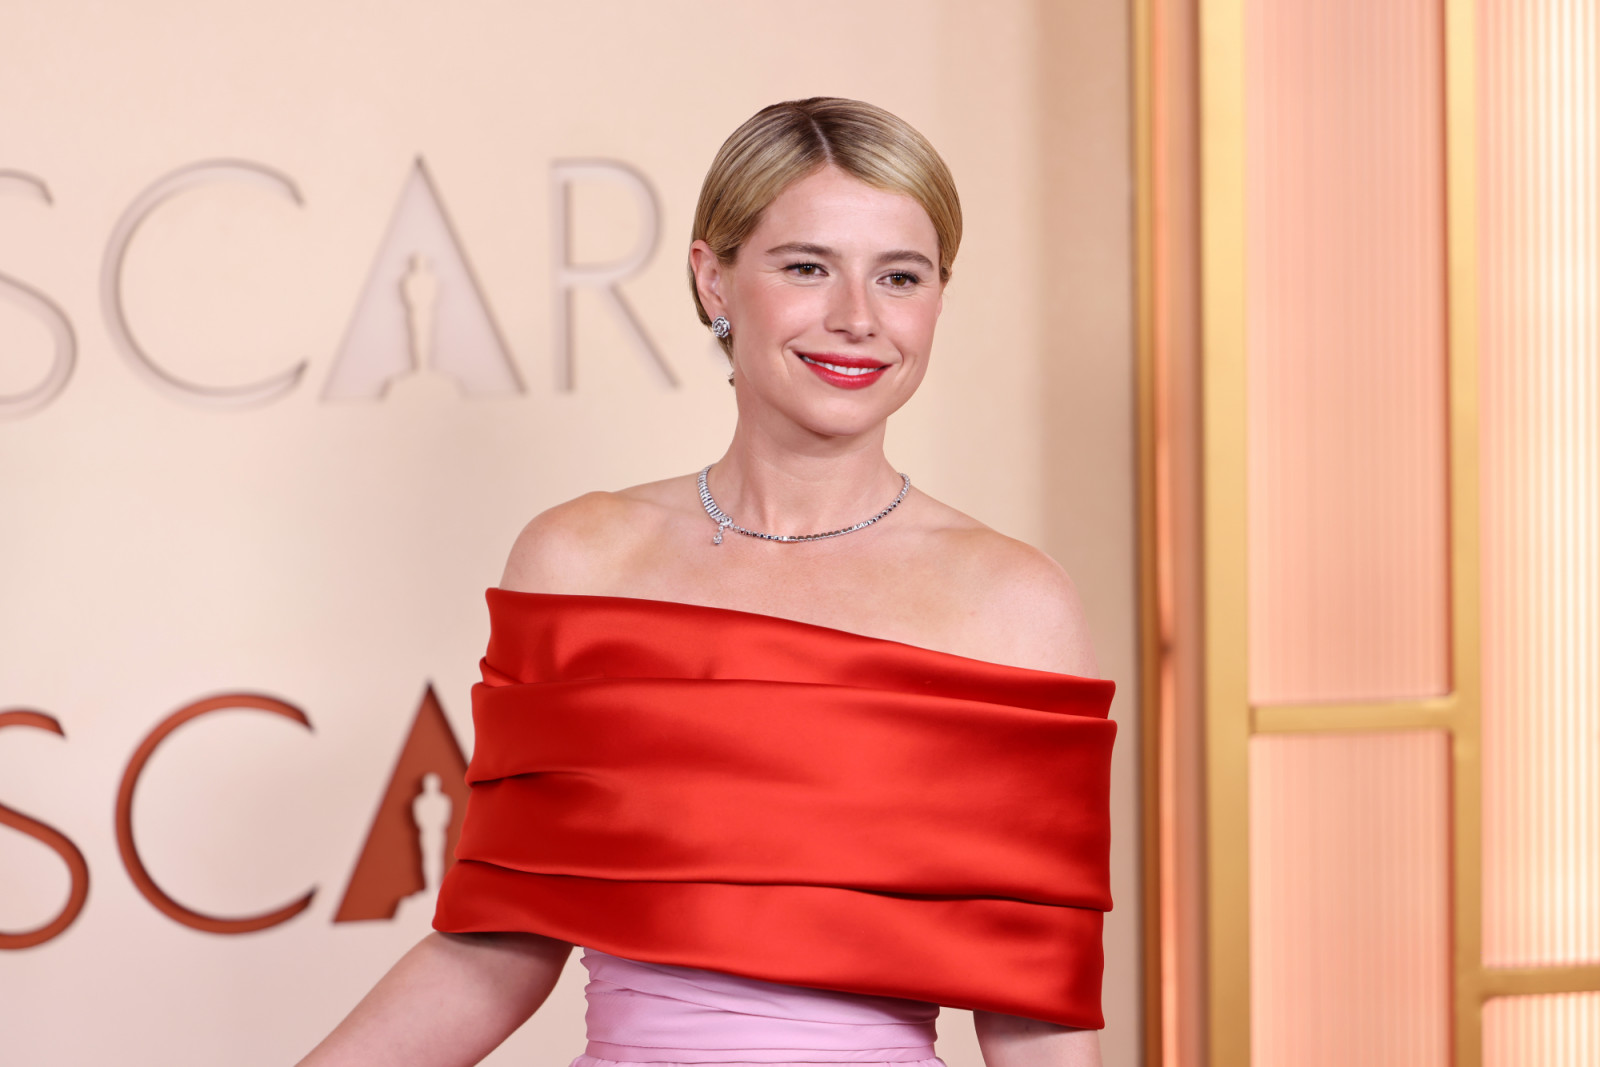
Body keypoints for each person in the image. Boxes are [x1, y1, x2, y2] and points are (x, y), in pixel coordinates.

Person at [297, 97, 1113, 1067]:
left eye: (900, 276)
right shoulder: (579, 563)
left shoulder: (1012, 605)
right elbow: (495, 948)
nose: (857, 317)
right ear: (712, 277)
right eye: (807, 267)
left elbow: (1034, 1016)